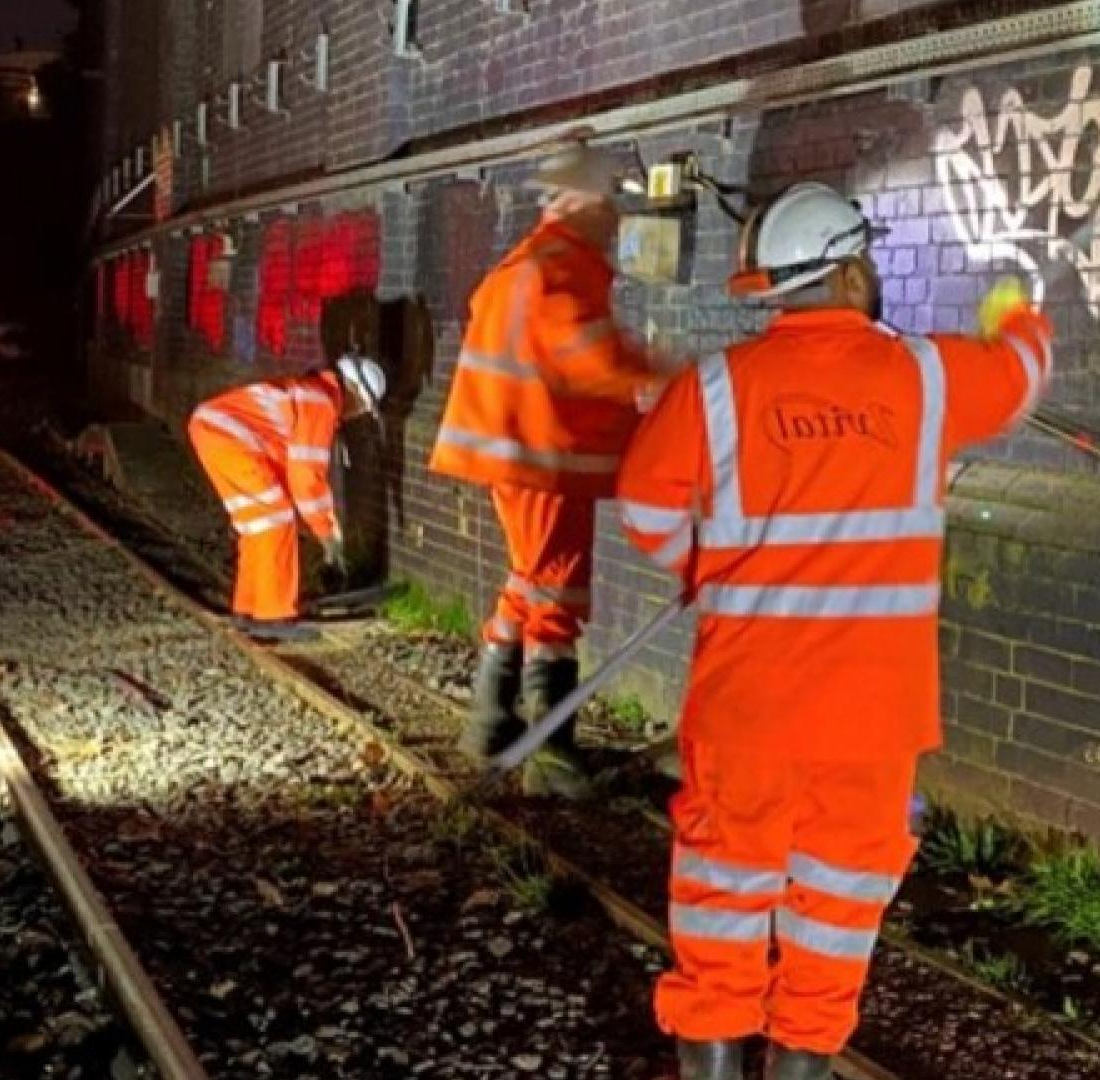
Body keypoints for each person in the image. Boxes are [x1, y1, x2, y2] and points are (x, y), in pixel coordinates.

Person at [614, 183, 1053, 1080]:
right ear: (854, 271)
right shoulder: (928, 378)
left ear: (773, 290)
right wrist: (1018, 315)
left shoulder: (716, 390)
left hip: (745, 706)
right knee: (838, 900)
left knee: (723, 891)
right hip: (872, 720)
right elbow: (1021, 376)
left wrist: (706, 567)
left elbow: (644, 506)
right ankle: (803, 1067)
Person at [430, 136, 679, 798]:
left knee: (528, 579)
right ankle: (550, 749)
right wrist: (670, 372)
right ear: (586, 200)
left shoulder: (520, 263)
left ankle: (491, 720)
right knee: (556, 592)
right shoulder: (562, 267)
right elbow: (592, 359)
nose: (616, 219)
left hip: (517, 453)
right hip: (545, 455)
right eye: (611, 204)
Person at [188, 356, 386, 643]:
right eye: (362, 409)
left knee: (257, 526)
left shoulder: (309, 393)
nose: (355, 417)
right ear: (355, 393)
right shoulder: (322, 404)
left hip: (217, 431)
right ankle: (273, 615)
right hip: (229, 436)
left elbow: (291, 468)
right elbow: (306, 476)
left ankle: (248, 607)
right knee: (276, 521)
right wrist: (327, 533)